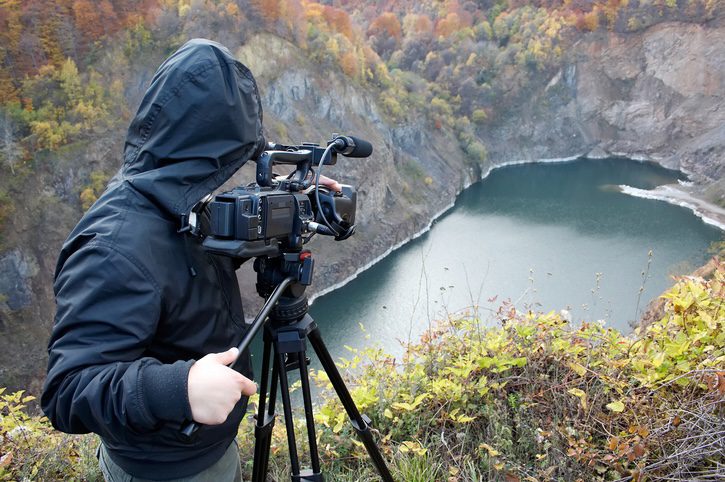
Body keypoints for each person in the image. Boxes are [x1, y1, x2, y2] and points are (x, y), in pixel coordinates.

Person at [42, 39, 266, 481]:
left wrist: (289, 205)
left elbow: (181, 277)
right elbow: (67, 391)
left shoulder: (178, 199)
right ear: (205, 150)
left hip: (210, 444)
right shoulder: (113, 247)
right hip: (163, 468)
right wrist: (177, 391)